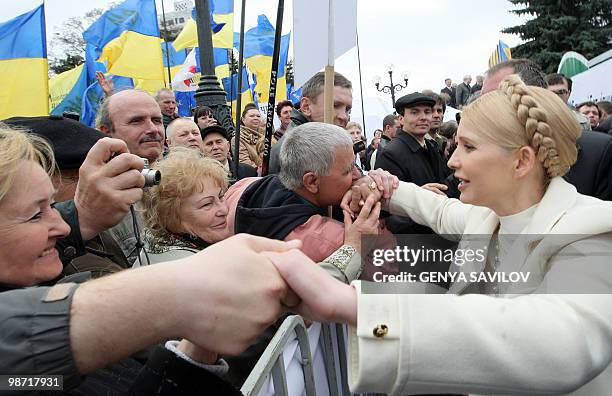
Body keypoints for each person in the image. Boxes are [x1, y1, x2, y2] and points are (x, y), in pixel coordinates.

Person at [271, 74, 612, 395]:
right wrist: (378, 185)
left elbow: (562, 344)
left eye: (469, 147)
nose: (452, 161)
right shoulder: (491, 217)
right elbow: (438, 210)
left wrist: (362, 309)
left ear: (521, 162)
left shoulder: (591, 232)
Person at [0, 125, 304, 393]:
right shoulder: (21, 374)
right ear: (174, 215)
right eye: (35, 214)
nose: (63, 226)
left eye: (53, 205)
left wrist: (199, 345)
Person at [485, 59, 612, 201]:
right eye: (480, 101)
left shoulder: (600, 153)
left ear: (532, 97)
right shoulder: (483, 159)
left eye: (494, 99)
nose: (483, 110)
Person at [141, 148, 231, 264]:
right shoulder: (194, 269)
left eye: (221, 196)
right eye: (207, 204)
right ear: (170, 214)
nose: (224, 210)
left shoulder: (153, 246)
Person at [269, 71, 353, 174]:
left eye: (347, 109)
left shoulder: (328, 142)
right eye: (335, 105)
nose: (344, 116)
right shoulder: (296, 151)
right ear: (306, 107)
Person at [96, 89, 165, 163]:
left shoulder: (176, 172)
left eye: (157, 121)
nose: (153, 129)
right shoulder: (88, 173)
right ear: (106, 131)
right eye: (136, 121)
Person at [231, 103, 266, 168]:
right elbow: (245, 163)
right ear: (243, 119)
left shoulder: (267, 136)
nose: (256, 118)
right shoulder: (238, 139)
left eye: (258, 116)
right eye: (252, 116)